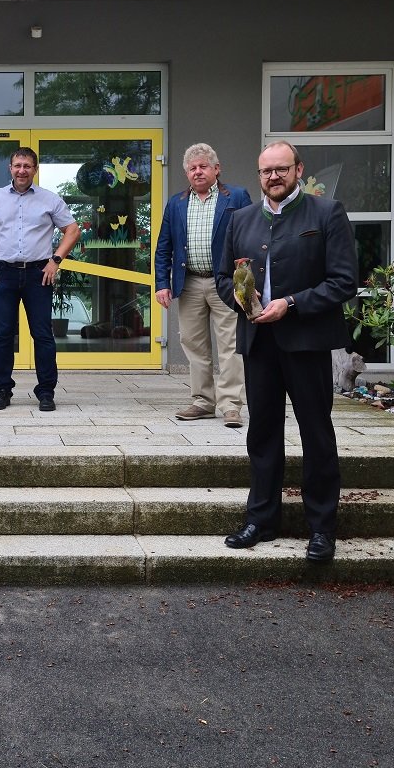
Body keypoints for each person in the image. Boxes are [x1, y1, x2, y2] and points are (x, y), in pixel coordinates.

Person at [215, 141, 358, 563]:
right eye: (266, 171)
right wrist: (240, 299)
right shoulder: (240, 218)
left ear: (298, 169)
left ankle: (322, 528)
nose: (273, 177)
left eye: (281, 169)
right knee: (262, 433)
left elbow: (343, 281)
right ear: (258, 175)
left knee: (316, 433)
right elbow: (222, 278)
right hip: (258, 342)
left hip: (306, 342)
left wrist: (291, 304)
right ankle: (261, 519)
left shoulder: (326, 213)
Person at [0, 147, 81, 412]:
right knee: (2, 334)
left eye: (27, 166)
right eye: (17, 165)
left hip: (38, 274)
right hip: (3, 273)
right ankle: (2, 391)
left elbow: (73, 230)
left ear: (35, 169)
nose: (22, 171)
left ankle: (46, 392)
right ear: (10, 168)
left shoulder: (49, 199)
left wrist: (56, 260)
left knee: (42, 334)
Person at [154, 143, 253, 428]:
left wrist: (246, 282)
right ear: (186, 172)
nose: (197, 172)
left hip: (226, 283)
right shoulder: (176, 203)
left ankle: (231, 405)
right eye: (192, 168)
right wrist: (162, 283)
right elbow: (164, 246)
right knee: (193, 343)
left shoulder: (236, 196)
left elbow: (251, 237)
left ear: (216, 169)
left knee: (230, 344)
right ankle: (202, 402)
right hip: (189, 282)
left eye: (203, 166)